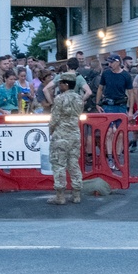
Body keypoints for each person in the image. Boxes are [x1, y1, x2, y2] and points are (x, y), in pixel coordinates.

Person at [48, 73, 84, 205]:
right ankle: (76, 194)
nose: (59, 86)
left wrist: (50, 130)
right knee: (73, 163)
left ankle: (60, 195)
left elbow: (55, 119)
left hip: (61, 135)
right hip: (74, 134)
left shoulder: (60, 99)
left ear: (66, 84)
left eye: (60, 83)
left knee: (59, 165)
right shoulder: (79, 98)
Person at [96, 54, 134, 170]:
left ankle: (117, 158)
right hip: (108, 105)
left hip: (120, 106)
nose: (110, 64)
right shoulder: (106, 73)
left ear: (118, 62)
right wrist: (97, 104)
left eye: (112, 62)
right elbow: (100, 88)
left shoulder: (125, 75)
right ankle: (110, 158)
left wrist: (131, 110)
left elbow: (131, 93)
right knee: (108, 133)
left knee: (120, 133)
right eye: (109, 62)